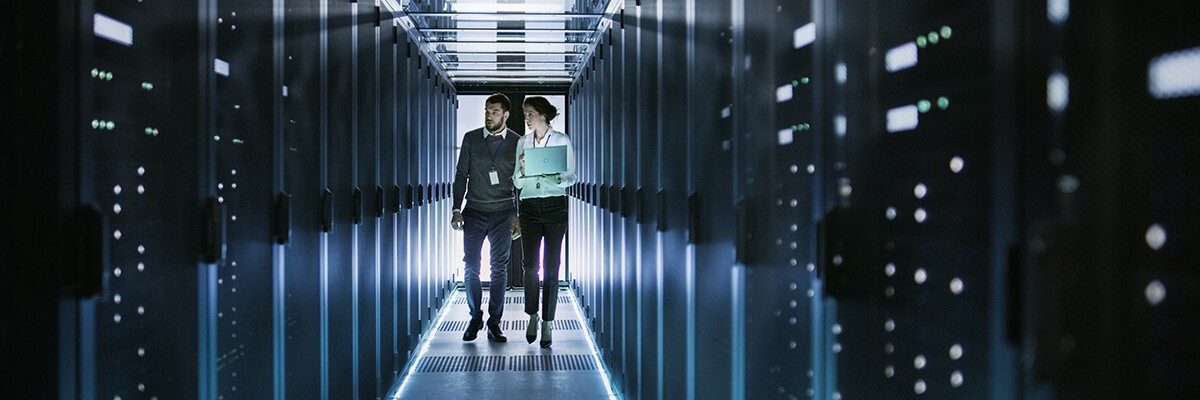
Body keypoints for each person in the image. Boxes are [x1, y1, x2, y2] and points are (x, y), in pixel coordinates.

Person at [451, 93, 521, 343]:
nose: (489, 115)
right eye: (486, 111)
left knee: (498, 269)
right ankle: (474, 317)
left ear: (506, 115)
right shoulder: (471, 139)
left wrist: (518, 216)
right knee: (471, 266)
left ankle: (494, 322)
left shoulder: (517, 142)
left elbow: (521, 183)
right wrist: (456, 208)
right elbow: (461, 176)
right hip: (475, 211)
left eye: (494, 112)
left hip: (503, 213)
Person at [512, 96, 576, 348]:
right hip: (529, 206)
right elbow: (516, 182)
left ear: (543, 115)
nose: (526, 118)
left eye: (530, 114)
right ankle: (532, 315)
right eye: (525, 114)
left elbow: (571, 177)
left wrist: (553, 176)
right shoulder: (523, 142)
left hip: (554, 206)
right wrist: (523, 170)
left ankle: (548, 322)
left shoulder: (561, 140)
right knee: (530, 266)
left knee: (551, 267)